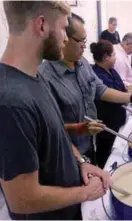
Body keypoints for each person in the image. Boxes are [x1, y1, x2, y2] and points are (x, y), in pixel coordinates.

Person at [0, 2, 110, 220]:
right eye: (62, 28)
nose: (66, 38)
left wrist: (81, 163)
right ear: (41, 25)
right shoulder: (11, 102)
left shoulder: (34, 76)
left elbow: (56, 133)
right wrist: (85, 193)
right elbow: (22, 199)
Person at [39, 13, 132, 165]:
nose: (85, 45)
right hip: (66, 154)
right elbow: (47, 127)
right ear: (63, 37)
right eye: (81, 41)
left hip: (89, 144)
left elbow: (101, 90)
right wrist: (78, 129)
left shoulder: (82, 63)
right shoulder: (45, 77)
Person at [90, 41, 127, 168]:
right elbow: (114, 95)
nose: (115, 57)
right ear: (106, 57)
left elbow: (122, 90)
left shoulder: (112, 70)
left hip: (118, 120)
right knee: (105, 154)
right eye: (114, 55)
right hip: (107, 123)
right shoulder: (97, 75)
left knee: (116, 149)